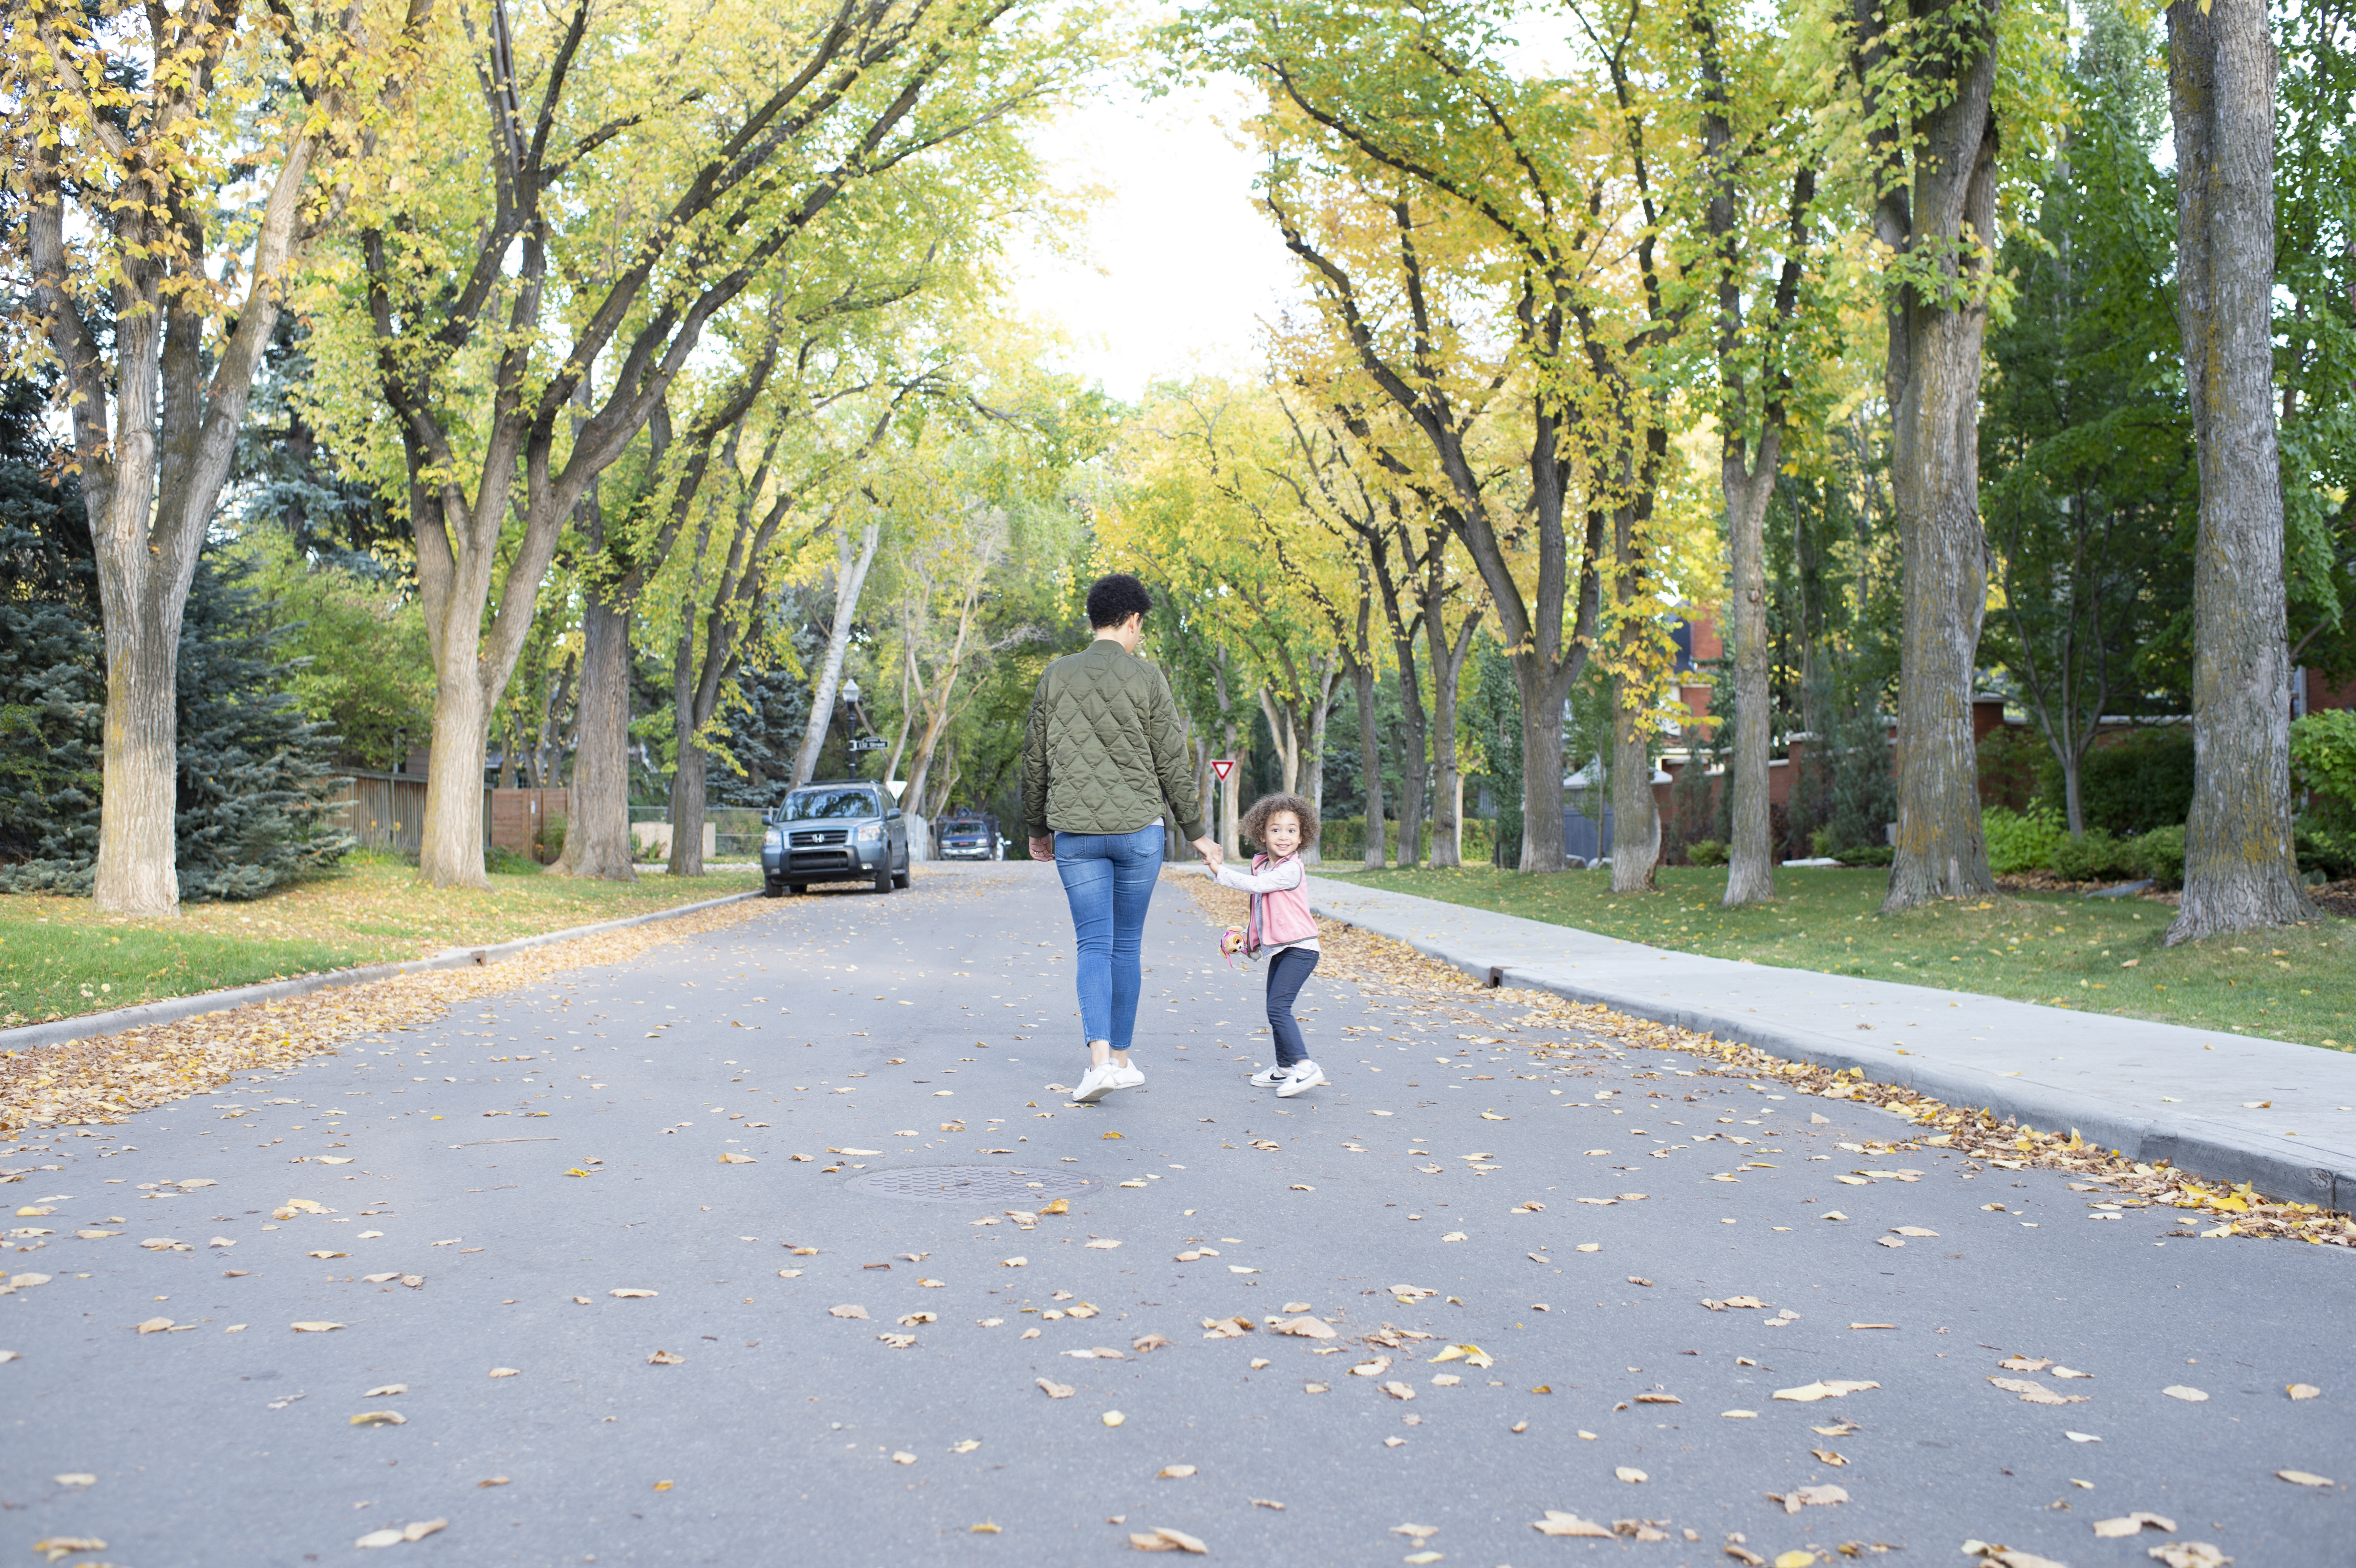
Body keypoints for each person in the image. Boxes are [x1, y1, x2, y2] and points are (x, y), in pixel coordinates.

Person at [1022, 573, 1222, 1105]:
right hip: (1139, 833)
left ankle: (1096, 1065)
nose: (1140, 638)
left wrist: (1037, 829)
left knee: (1092, 943)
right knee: (1125, 945)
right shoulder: (1148, 678)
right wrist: (1197, 835)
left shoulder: (1055, 676)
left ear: (1093, 618)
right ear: (1132, 620)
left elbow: (1035, 761)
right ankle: (1123, 1062)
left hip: (1077, 835)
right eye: (1141, 628)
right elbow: (1171, 764)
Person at [1207, 792, 1324, 1098]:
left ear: (1302, 837)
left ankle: (1305, 1066)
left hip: (1301, 950)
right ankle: (1284, 1068)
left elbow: (1257, 888)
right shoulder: (1262, 865)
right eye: (1275, 829)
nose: (1283, 836)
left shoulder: (1291, 869)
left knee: (1278, 1007)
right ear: (1262, 833)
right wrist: (1248, 942)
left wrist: (1220, 871)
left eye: (1291, 830)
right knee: (1274, 1006)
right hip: (1283, 949)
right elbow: (1261, 909)